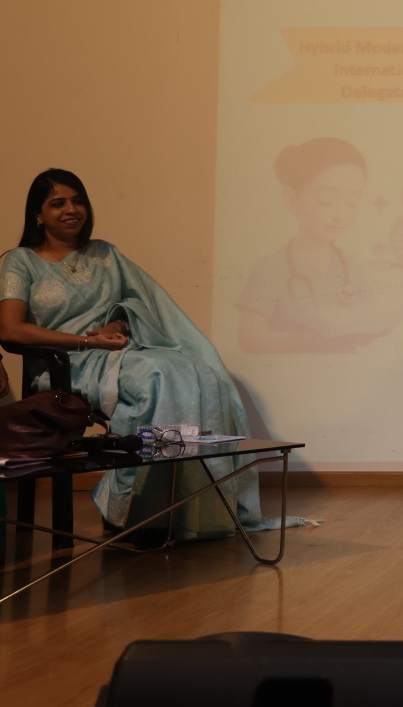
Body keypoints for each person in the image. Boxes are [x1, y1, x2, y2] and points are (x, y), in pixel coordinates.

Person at [0, 169, 282, 539]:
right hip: (65, 366)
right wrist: (86, 342)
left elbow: (139, 303)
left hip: (117, 354)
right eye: (58, 203)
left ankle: (192, 512)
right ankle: (138, 511)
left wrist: (117, 324)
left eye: (78, 200)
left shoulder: (105, 254)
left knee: (197, 370)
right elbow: (10, 330)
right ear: (38, 215)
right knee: (157, 375)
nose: (71, 209)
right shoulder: (21, 261)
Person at [237, 137, 403, 354]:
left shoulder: (351, 266)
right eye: (326, 200)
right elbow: (249, 339)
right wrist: (304, 339)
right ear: (291, 200)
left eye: (352, 202)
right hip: (291, 371)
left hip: (346, 370)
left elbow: (366, 321)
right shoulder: (269, 268)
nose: (340, 215)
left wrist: (372, 330)